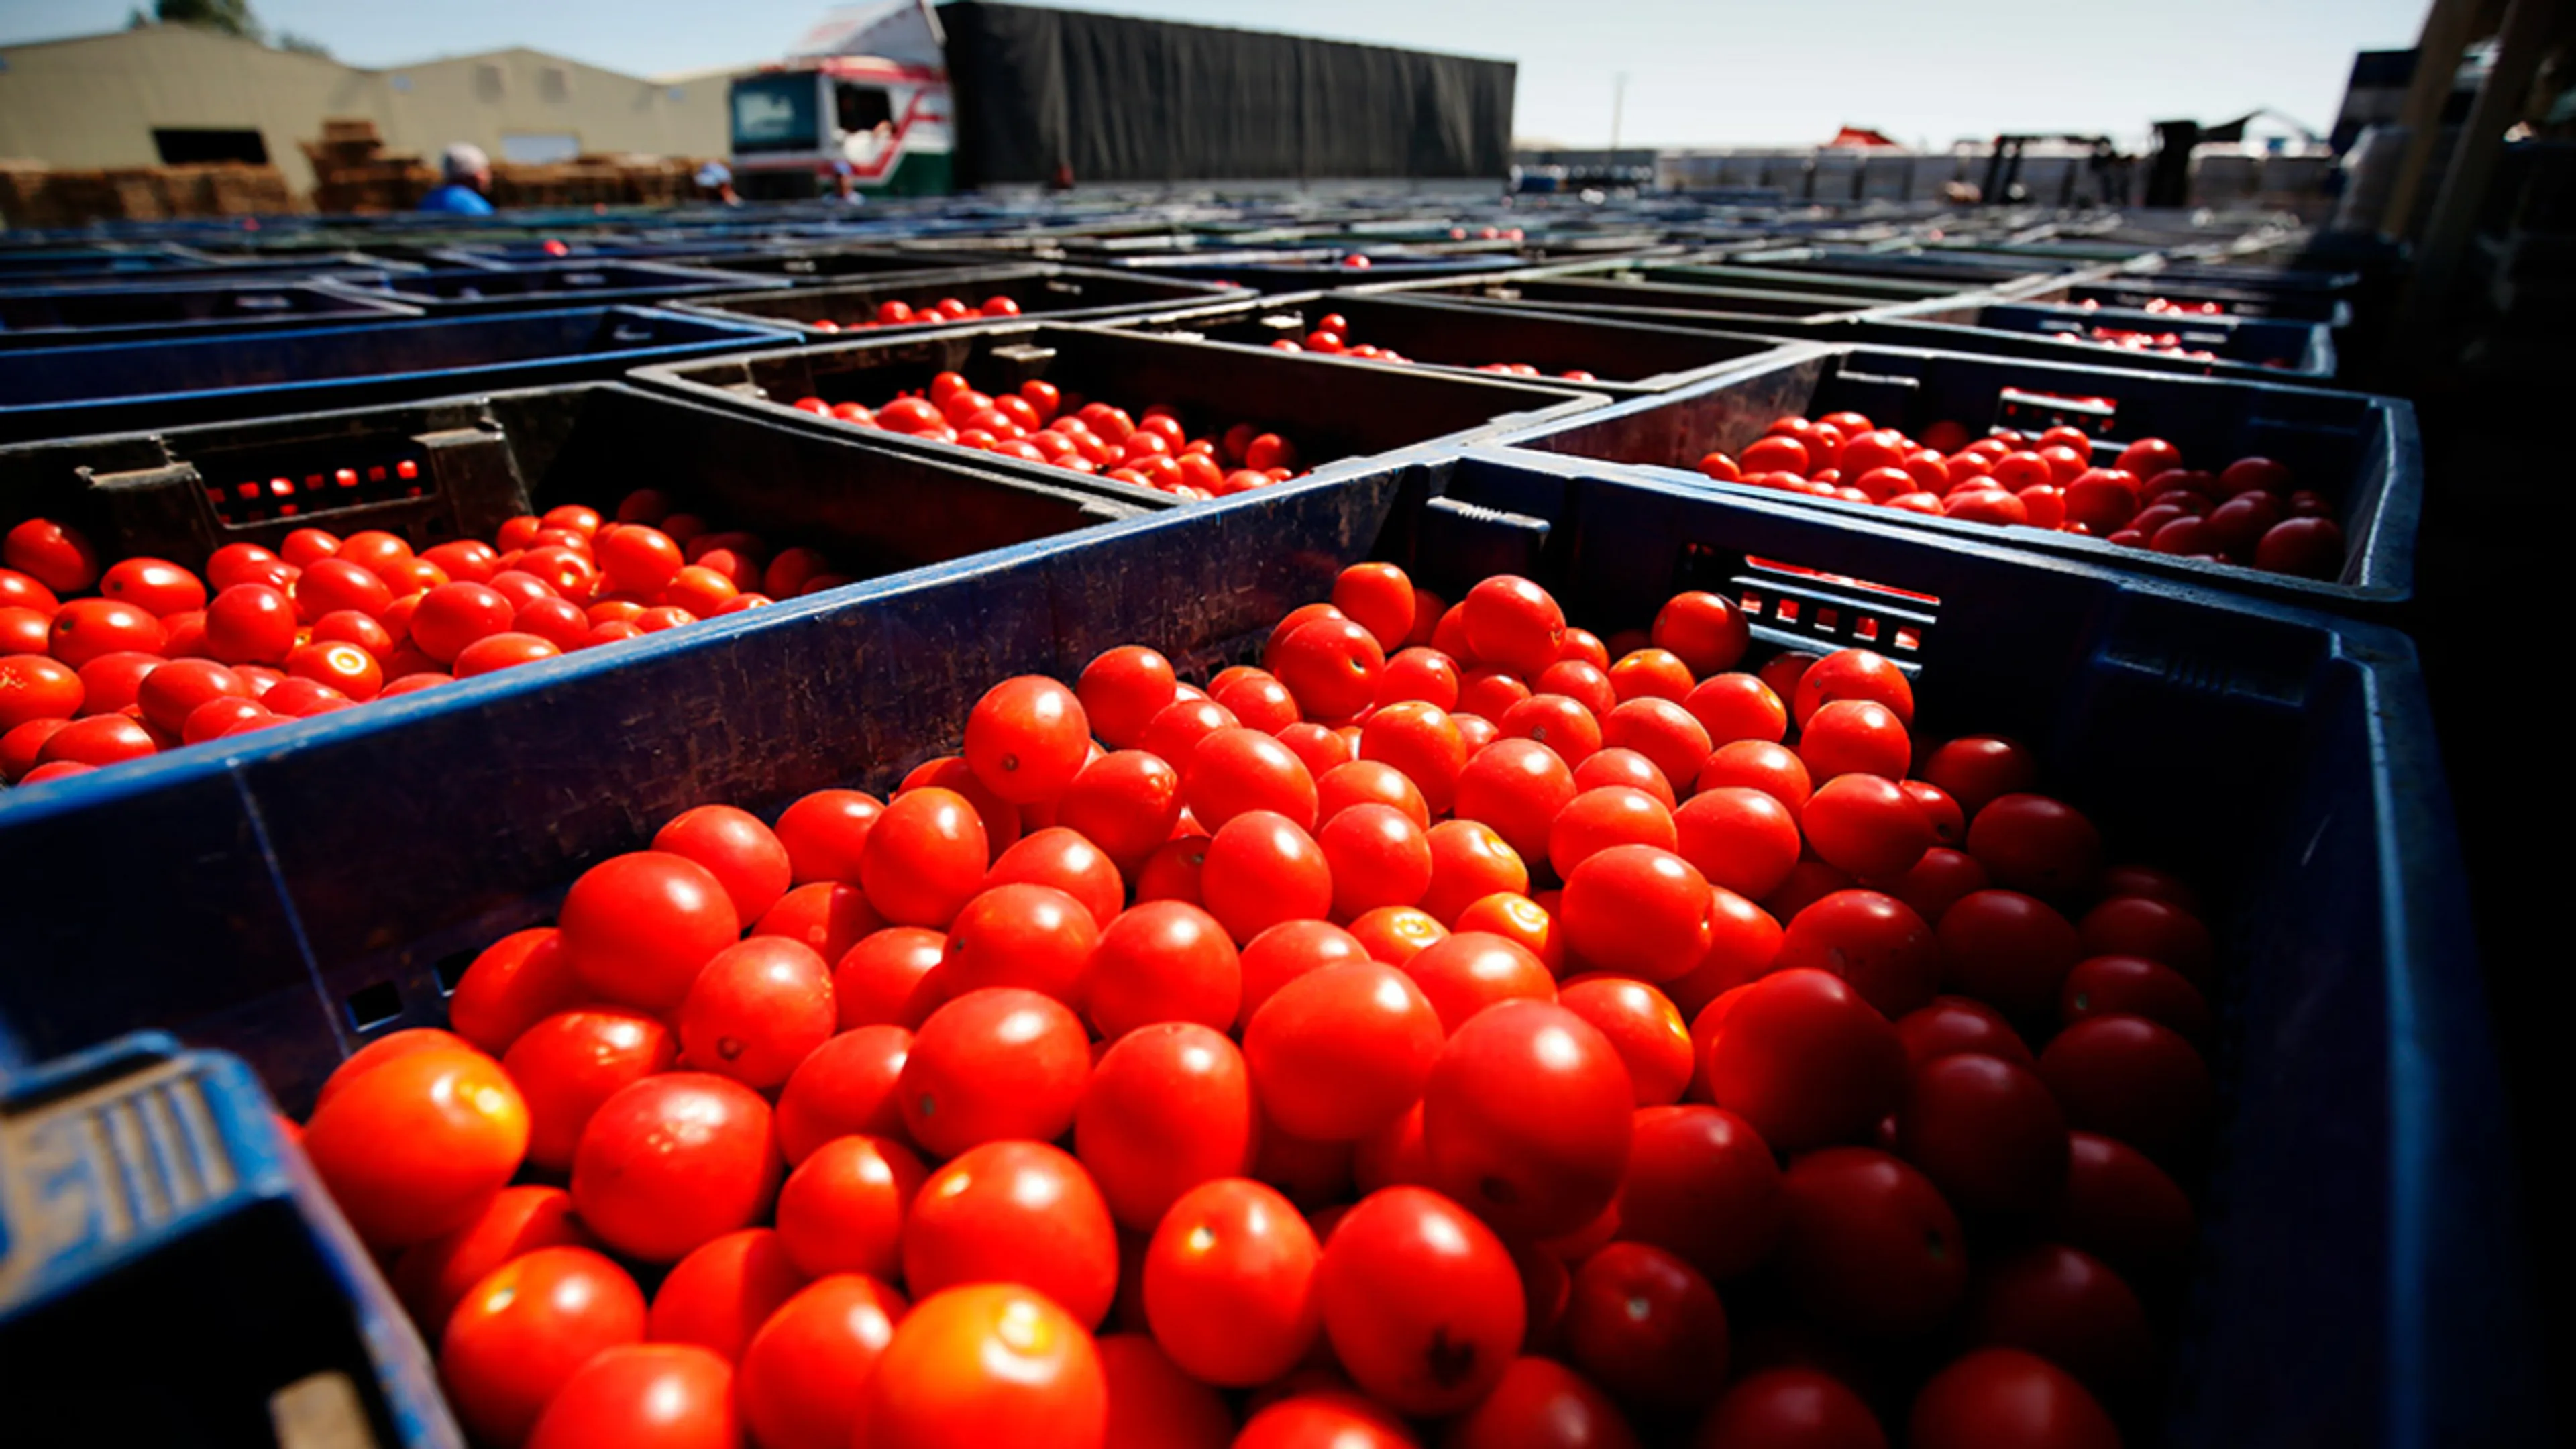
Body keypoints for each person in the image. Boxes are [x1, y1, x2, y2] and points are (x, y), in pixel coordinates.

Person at [420, 144, 496, 216]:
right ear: (475, 175)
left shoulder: (429, 200)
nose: (488, 177)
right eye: (484, 171)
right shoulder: (472, 205)